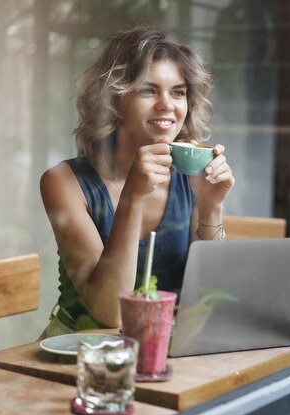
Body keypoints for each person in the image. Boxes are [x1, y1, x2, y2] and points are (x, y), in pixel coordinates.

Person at [39, 26, 235, 338]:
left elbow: (211, 298)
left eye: (178, 92)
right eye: (148, 90)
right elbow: (111, 313)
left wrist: (212, 209)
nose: (167, 105)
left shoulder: (193, 170)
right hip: (80, 350)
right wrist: (133, 196)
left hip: (167, 347)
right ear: (114, 100)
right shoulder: (63, 183)